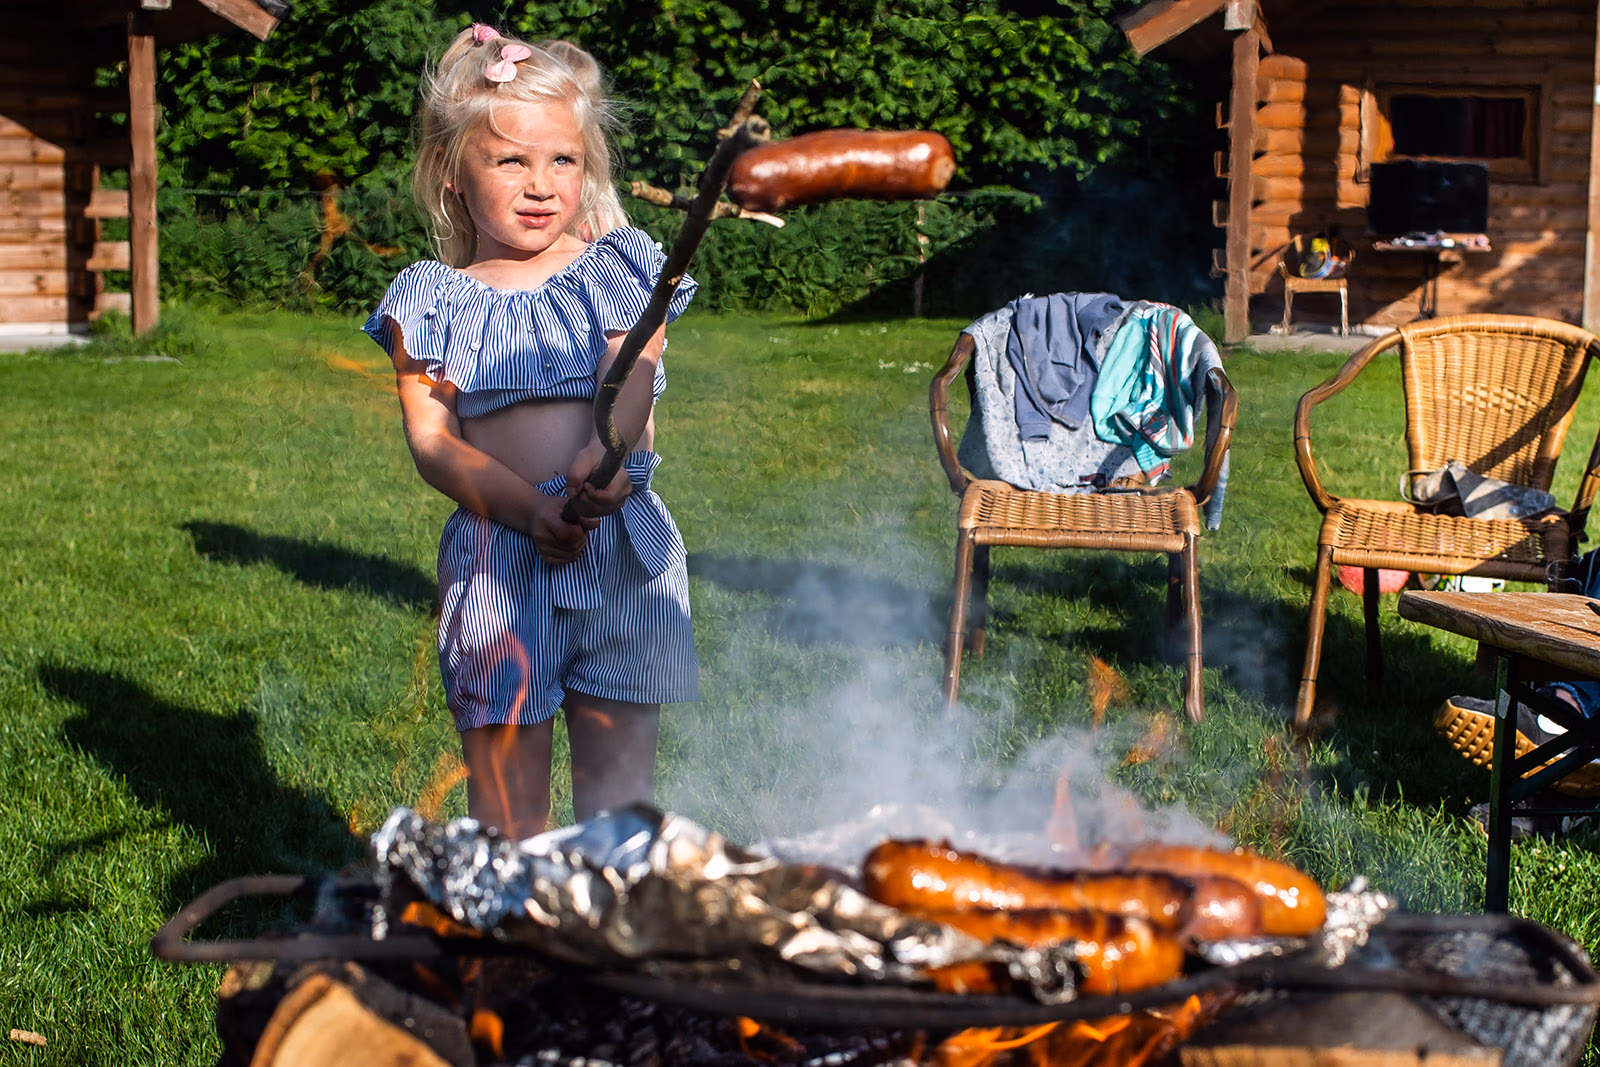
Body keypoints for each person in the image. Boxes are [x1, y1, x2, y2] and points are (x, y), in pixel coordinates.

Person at [363, 24, 698, 840]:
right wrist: (525, 510)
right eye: (511, 160)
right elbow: (433, 441)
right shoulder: (432, 295)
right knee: (507, 812)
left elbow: (634, 369)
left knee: (619, 803)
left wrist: (610, 457)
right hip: (497, 557)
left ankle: (607, 940)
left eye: (564, 160)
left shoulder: (614, 265)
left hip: (616, 544)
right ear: (451, 168)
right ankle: (514, 947)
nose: (542, 184)